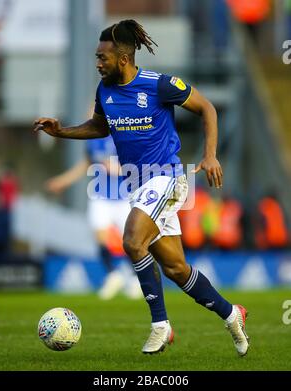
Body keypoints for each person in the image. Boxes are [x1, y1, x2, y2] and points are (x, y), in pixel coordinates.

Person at [34, 19, 249, 356]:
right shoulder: (104, 90)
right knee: (176, 269)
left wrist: (209, 155)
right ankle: (231, 313)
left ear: (123, 59)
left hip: (167, 178)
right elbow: (98, 127)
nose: (97, 63)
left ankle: (160, 326)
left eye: (102, 58)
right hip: (138, 186)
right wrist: (61, 132)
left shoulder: (159, 85)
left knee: (132, 241)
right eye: (96, 57)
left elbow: (206, 107)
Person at [45, 137, 142, 299]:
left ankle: (135, 279)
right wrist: (63, 181)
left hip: (124, 197)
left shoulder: (123, 133)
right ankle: (113, 276)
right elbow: (85, 164)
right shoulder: (93, 141)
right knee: (100, 238)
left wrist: (119, 169)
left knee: (131, 241)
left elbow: (140, 164)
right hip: (100, 197)